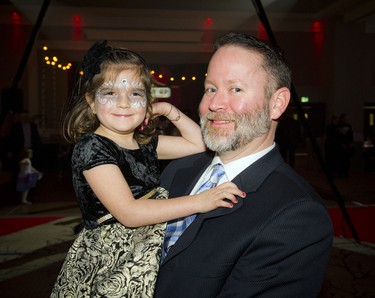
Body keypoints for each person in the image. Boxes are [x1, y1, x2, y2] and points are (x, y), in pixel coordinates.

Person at [50, 41, 243, 298]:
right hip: (112, 259)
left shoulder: (144, 143)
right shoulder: (92, 147)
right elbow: (129, 213)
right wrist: (200, 201)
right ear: (91, 102)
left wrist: (167, 109)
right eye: (109, 93)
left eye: (136, 94)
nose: (124, 103)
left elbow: (199, 143)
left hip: (143, 248)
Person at [154, 32, 333, 297]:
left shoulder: (296, 215)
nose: (214, 104)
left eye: (235, 89)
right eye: (210, 89)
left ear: (277, 104)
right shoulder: (178, 169)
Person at [336, 113, 354, 177]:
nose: (345, 120)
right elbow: (337, 137)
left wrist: (351, 142)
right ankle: (340, 173)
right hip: (340, 146)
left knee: (347, 160)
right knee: (340, 160)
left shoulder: (348, 126)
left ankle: (346, 173)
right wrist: (341, 143)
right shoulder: (338, 126)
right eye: (344, 119)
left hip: (347, 145)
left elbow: (351, 135)